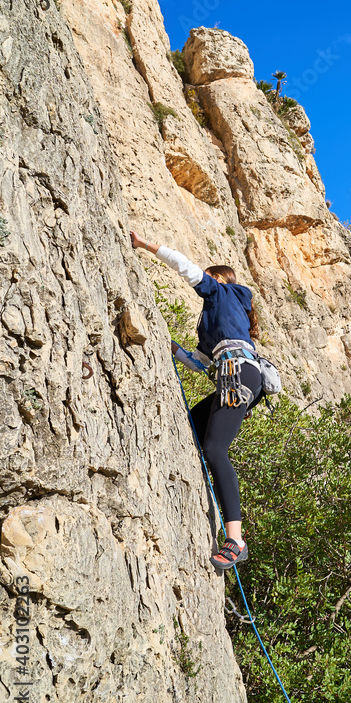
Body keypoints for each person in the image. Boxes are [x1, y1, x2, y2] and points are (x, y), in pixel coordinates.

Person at [130, 230, 262, 570]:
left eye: (209, 276)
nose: (205, 283)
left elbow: (186, 268)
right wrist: (168, 344)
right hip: (233, 375)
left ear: (217, 278)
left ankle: (236, 539)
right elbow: (200, 363)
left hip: (239, 374)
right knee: (190, 424)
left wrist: (147, 244)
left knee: (216, 450)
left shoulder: (225, 293)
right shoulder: (216, 323)